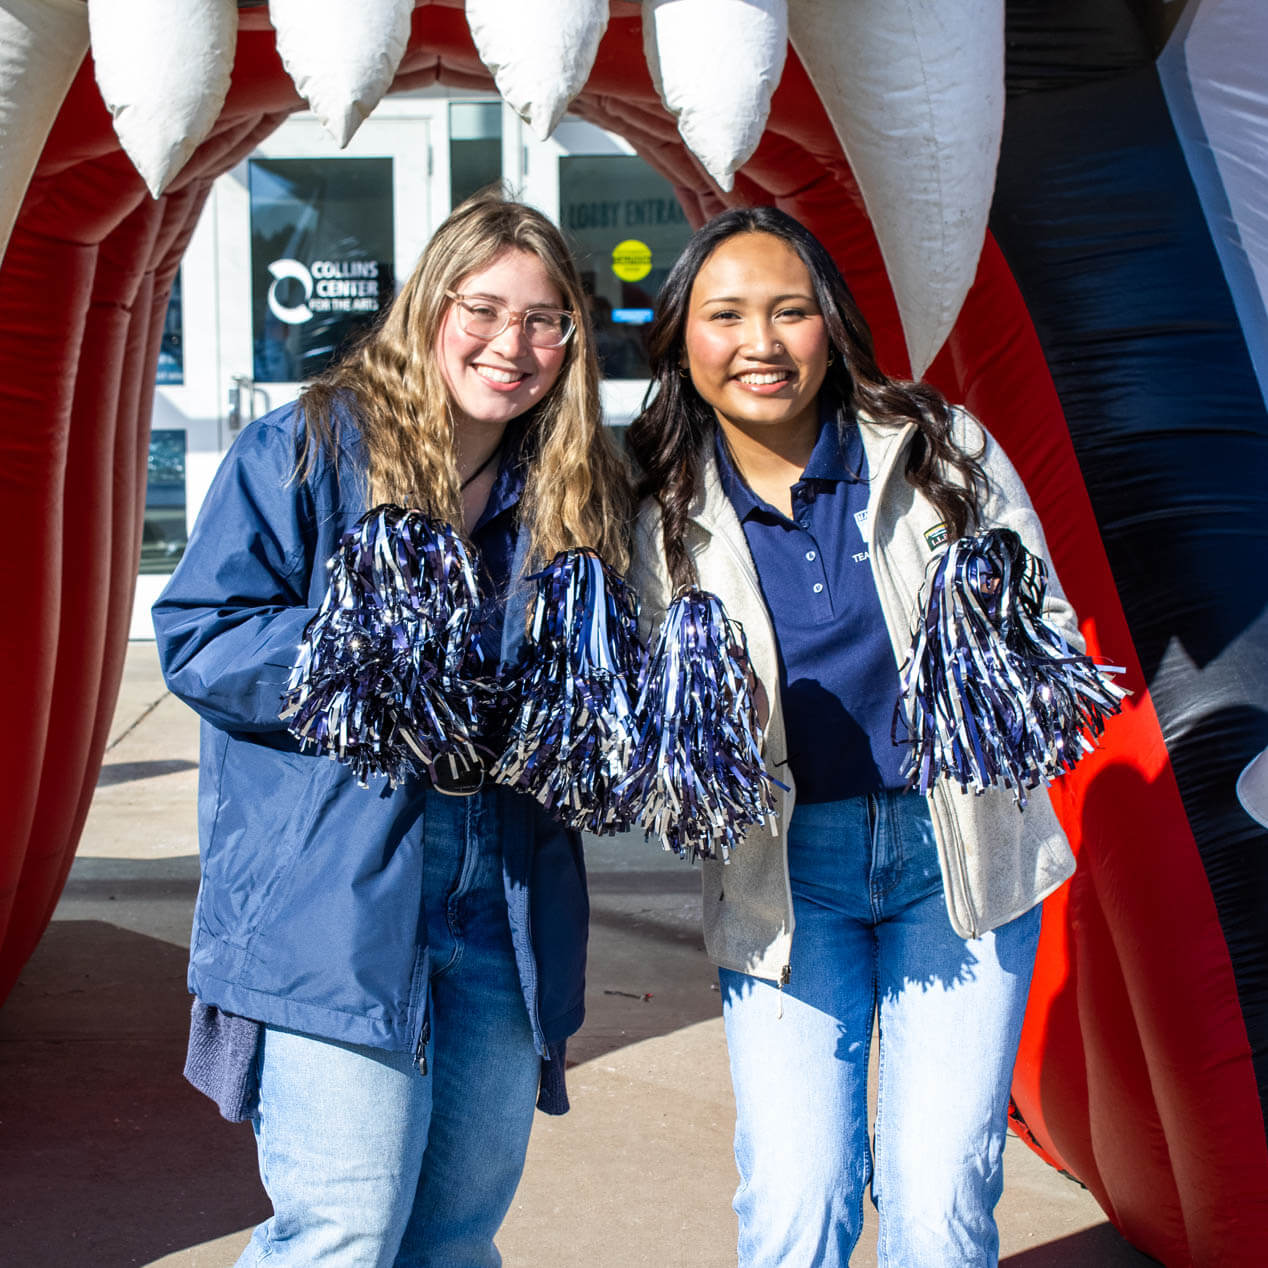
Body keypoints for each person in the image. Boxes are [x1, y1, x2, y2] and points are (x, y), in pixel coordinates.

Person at [153, 192, 630, 1268]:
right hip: (341, 888)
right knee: (343, 1230)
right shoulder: (309, 447)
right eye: (485, 308)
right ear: (428, 307)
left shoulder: (569, 487)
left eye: (544, 319)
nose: (512, 344)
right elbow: (200, 632)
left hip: (504, 892)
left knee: (454, 1236)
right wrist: (368, 668)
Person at [626, 205, 1081, 1267]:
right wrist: (697, 731)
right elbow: (644, 757)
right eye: (725, 314)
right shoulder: (652, 509)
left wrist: (991, 658)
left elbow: (1050, 642)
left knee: (936, 1205)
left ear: (828, 323)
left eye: (788, 311)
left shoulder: (940, 449)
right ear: (681, 340)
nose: (759, 342)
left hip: (957, 859)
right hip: (785, 877)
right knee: (795, 1203)